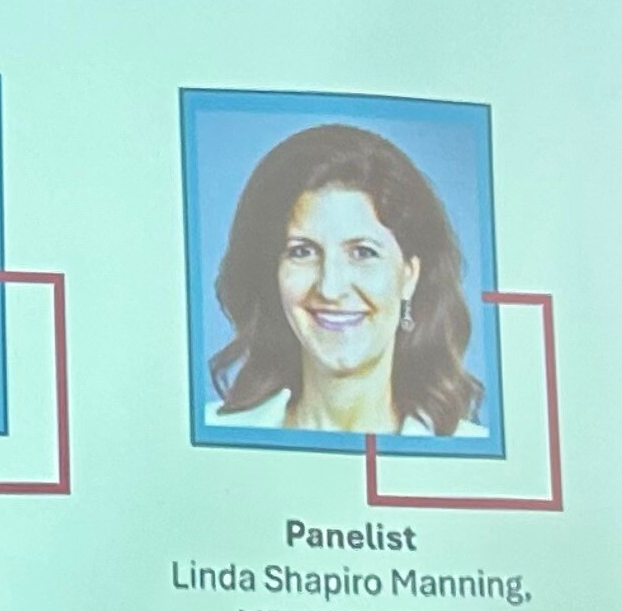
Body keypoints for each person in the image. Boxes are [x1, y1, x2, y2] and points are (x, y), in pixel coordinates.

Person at [202, 121, 485, 437]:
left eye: (363, 252)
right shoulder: (213, 430)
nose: (330, 288)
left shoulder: (471, 450)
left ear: (409, 275)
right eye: (302, 251)